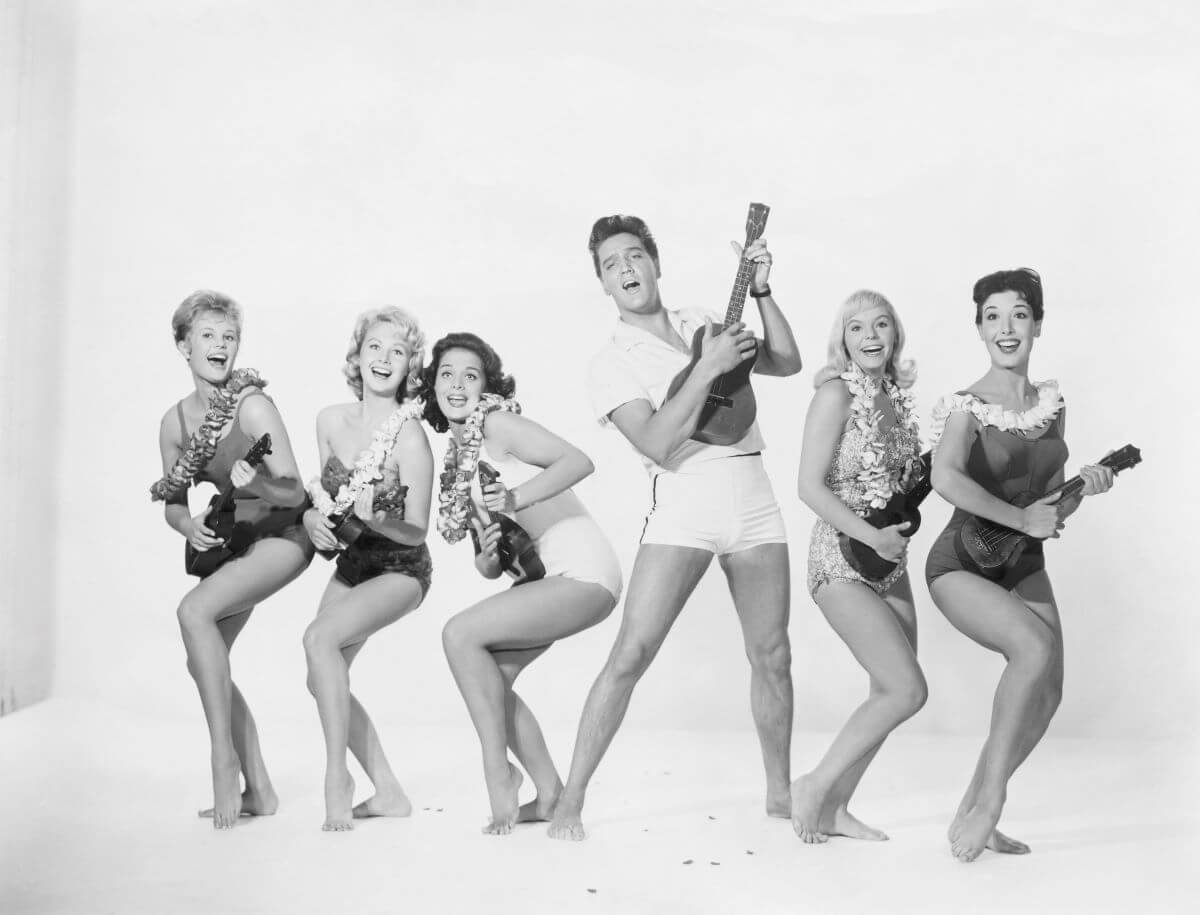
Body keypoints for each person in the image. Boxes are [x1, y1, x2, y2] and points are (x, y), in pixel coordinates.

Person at [548, 214, 803, 840]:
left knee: (772, 654)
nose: (627, 270)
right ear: (603, 285)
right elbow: (659, 442)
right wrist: (709, 367)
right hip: (685, 499)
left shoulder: (701, 321)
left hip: (752, 489)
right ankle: (570, 801)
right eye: (612, 265)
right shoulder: (609, 363)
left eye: (635, 256)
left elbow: (786, 362)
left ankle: (779, 793)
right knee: (631, 653)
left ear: (656, 263)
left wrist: (763, 290)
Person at [925, 268, 1115, 862]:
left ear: (1037, 324)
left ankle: (970, 808)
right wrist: (1023, 521)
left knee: (1050, 688)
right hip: (960, 562)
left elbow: (1045, 508)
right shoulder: (965, 406)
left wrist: (1083, 489)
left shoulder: (1051, 405)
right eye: (993, 316)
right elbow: (945, 477)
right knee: (1032, 651)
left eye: (1019, 315)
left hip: (1022, 563)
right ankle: (990, 804)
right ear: (979, 328)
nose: (1007, 328)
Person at [428, 332, 622, 834]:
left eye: (471, 375)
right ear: (432, 385)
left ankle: (499, 773)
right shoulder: (459, 464)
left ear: (487, 387)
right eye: (447, 373)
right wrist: (490, 554)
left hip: (582, 572)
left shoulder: (497, 424)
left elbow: (578, 461)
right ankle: (551, 794)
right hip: (543, 579)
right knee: (489, 676)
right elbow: (488, 565)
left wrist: (513, 500)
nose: (457, 383)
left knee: (458, 634)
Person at [153, 289, 313, 829]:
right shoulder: (174, 424)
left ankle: (224, 763)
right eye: (208, 335)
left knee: (192, 614)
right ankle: (261, 790)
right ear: (183, 345)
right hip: (232, 541)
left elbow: (295, 490)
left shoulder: (253, 405)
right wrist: (188, 525)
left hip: (284, 535)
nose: (222, 345)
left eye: (230, 336)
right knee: (205, 662)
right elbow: (173, 503)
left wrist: (259, 483)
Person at [790, 290, 926, 843]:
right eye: (856, 328)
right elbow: (807, 487)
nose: (869, 337)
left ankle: (835, 807)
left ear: (895, 335)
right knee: (907, 690)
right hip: (840, 559)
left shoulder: (895, 395)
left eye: (880, 325)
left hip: (888, 561)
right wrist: (871, 533)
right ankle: (814, 786)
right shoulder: (834, 394)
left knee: (886, 692)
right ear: (842, 340)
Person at [301, 307, 433, 831]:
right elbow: (324, 499)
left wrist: (374, 516)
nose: (384, 359)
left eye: (397, 352)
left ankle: (338, 778)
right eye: (375, 347)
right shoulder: (330, 421)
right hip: (353, 564)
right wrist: (313, 517)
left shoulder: (410, 436)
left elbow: (418, 527)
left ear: (408, 368)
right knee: (320, 675)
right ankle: (391, 793)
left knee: (317, 642)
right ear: (356, 357)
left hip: (401, 569)